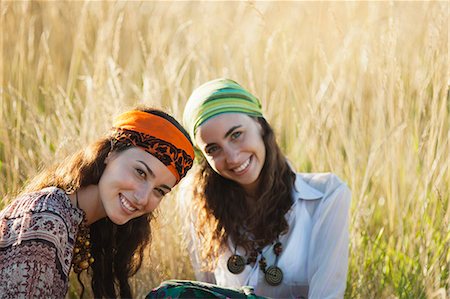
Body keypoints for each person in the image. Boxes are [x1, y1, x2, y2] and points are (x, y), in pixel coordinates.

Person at [181, 78, 351, 299]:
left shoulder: (327, 196)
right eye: (214, 148)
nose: (232, 158)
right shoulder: (198, 202)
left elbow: (327, 295)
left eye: (236, 135)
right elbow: (205, 294)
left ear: (260, 124)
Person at [0, 107, 195, 298]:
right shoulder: (46, 218)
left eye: (159, 191)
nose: (142, 198)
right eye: (140, 172)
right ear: (110, 154)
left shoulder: (78, 218)